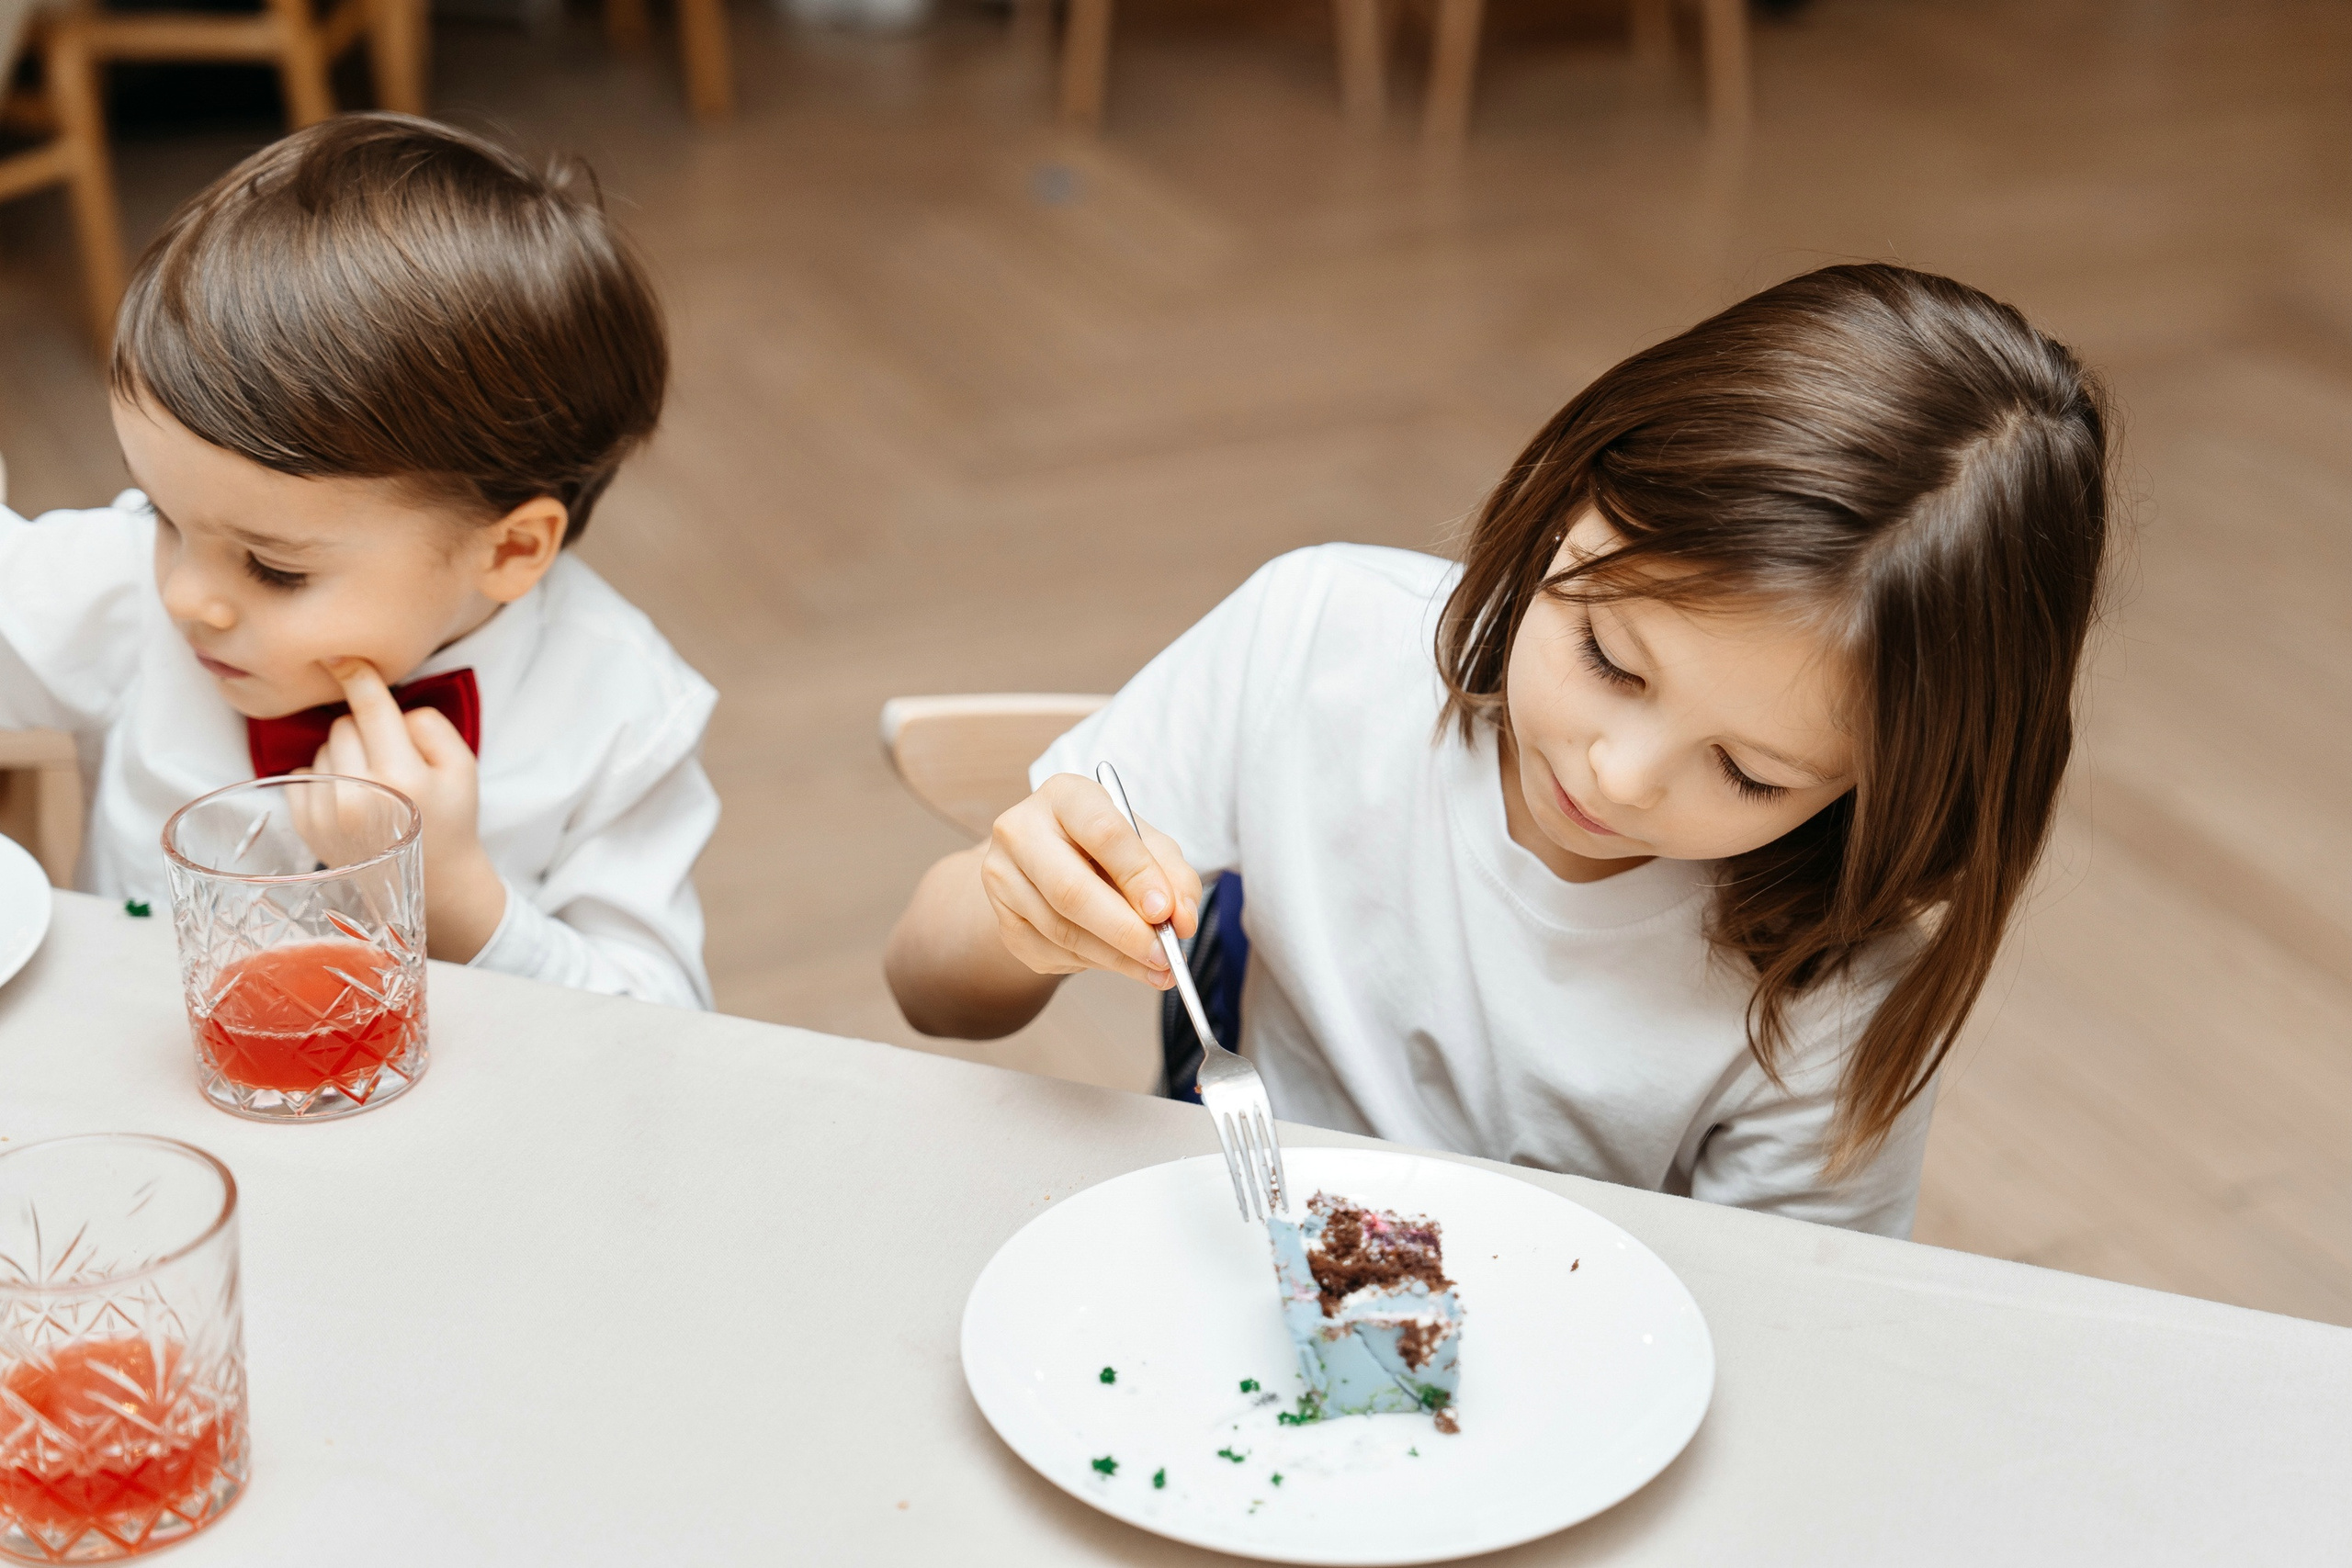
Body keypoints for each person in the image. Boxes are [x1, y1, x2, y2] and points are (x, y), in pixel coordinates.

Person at [885, 264, 2110, 1235]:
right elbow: (930, 987)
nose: (1619, 775)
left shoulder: (1837, 987)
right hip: (1212, 1257)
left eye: (1751, 773)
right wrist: (1021, 917)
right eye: (1610, 658)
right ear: (1566, 498)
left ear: (1888, 789)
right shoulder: (1320, 643)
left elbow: (1785, 1334)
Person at [0, 114, 718, 1009]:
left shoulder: (619, 714)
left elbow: (668, 1033)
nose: (186, 595)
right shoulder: (125, 587)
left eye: (276, 568)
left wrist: (458, 901)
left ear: (512, 549)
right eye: (162, 514)